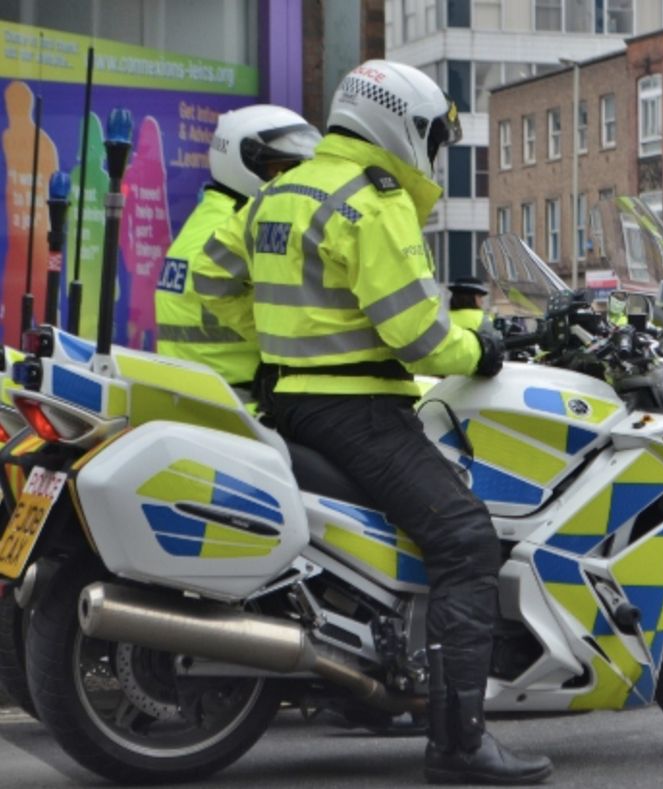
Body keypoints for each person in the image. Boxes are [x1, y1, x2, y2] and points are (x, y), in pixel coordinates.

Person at [193, 60, 551, 785]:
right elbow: (419, 336)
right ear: (400, 124)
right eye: (430, 137)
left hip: (288, 400)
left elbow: (210, 281)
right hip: (357, 408)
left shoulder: (278, 190)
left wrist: (277, 339)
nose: (432, 153)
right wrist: (478, 347)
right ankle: (457, 744)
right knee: (464, 540)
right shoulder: (373, 200)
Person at [155, 105, 320, 392]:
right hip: (245, 405)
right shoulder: (246, 231)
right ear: (242, 162)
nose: (293, 181)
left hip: (195, 398)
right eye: (280, 169)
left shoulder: (205, 222)